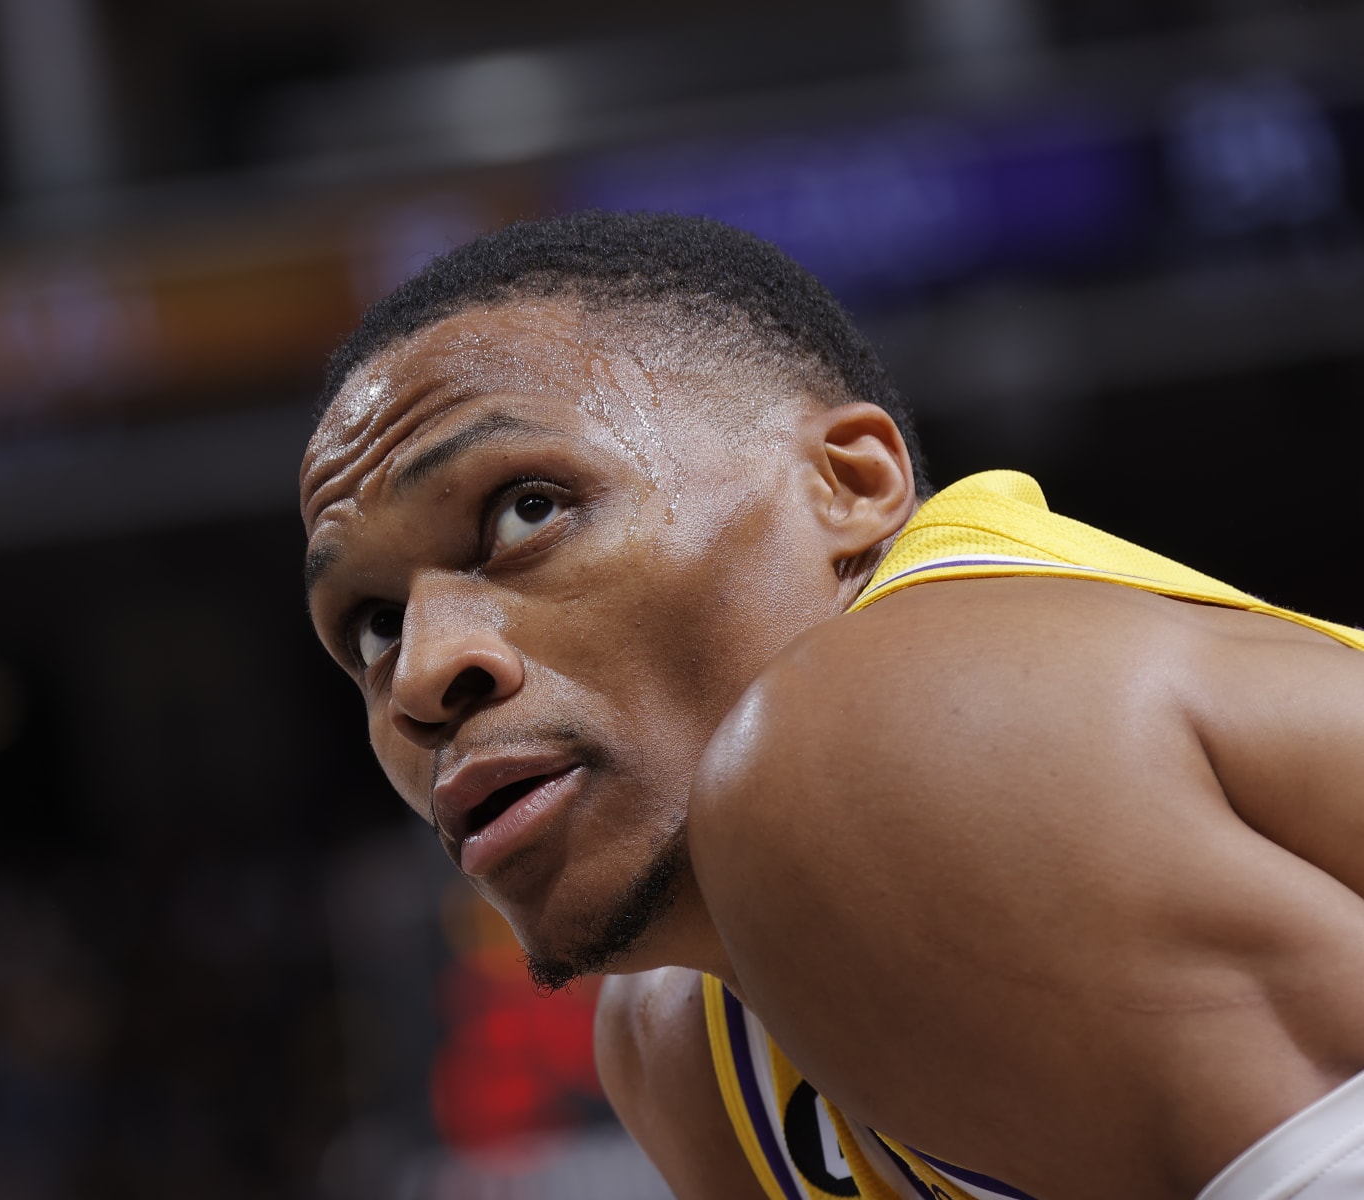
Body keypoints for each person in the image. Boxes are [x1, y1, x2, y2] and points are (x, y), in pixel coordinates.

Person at [298, 210, 1364, 1200]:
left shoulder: (910, 733)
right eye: (373, 627)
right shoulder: (681, 1043)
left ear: (847, 486)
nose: (425, 675)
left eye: (528, 511)